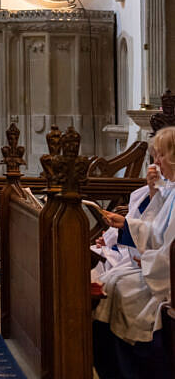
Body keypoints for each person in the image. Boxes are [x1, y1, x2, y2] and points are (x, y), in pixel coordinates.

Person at [93, 125, 175, 379]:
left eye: (160, 155)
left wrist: (146, 260)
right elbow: (157, 232)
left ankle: (128, 368)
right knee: (110, 284)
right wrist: (126, 225)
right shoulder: (170, 189)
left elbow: (170, 247)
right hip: (155, 266)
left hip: (165, 279)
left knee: (122, 291)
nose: (156, 162)